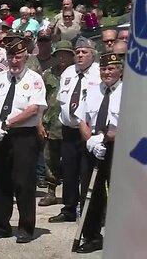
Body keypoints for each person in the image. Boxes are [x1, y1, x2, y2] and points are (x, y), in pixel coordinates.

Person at [0, 36, 47, 243]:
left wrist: (8, 123)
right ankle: (1, 225)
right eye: (11, 56)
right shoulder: (0, 78)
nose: (14, 61)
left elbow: (33, 109)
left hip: (23, 137)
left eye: (18, 56)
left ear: (25, 57)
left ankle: (26, 228)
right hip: (1, 136)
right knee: (0, 182)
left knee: (24, 182)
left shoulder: (34, 79)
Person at [74, 52, 123, 253]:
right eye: (103, 68)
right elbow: (81, 120)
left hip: (118, 149)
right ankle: (92, 236)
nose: (107, 72)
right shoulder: (92, 90)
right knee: (89, 192)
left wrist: (107, 138)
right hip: (92, 146)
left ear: (120, 70)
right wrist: (92, 140)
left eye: (111, 68)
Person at [49, 36, 100, 223]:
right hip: (69, 129)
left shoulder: (98, 73)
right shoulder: (68, 72)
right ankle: (69, 209)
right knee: (69, 171)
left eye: (84, 52)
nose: (80, 55)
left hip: (88, 131)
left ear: (92, 54)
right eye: (77, 52)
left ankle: (91, 211)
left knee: (87, 172)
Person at [37, 40, 76, 206]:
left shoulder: (76, 73)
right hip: (50, 124)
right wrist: (40, 122)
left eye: (65, 54)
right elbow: (40, 100)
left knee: (70, 162)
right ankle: (51, 192)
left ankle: (71, 195)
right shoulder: (48, 74)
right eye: (59, 54)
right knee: (49, 160)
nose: (62, 57)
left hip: (70, 125)